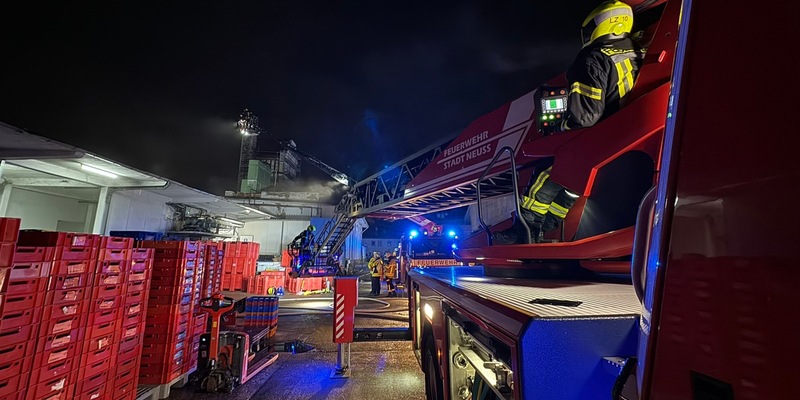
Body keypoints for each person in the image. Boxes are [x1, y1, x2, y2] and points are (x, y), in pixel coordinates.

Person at [494, 0, 644, 245]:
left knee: (544, 173)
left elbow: (584, 117)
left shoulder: (592, 58)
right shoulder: (636, 50)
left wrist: (559, 134)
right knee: (571, 184)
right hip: (622, 138)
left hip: (599, 139)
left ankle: (525, 232)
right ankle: (551, 225)